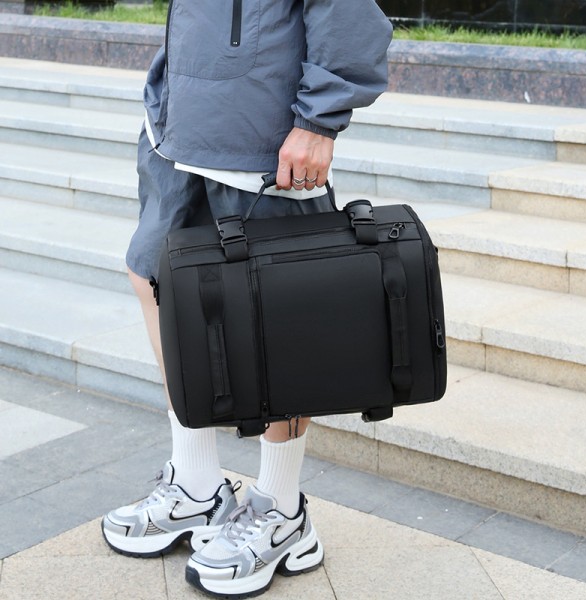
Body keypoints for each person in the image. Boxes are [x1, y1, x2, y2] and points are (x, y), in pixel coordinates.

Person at [101, 1, 393, 597]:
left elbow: (347, 11)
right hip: (177, 125)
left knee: (277, 315)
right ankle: (196, 485)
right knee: (154, 279)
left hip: (263, 135)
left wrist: (318, 121)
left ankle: (282, 510)